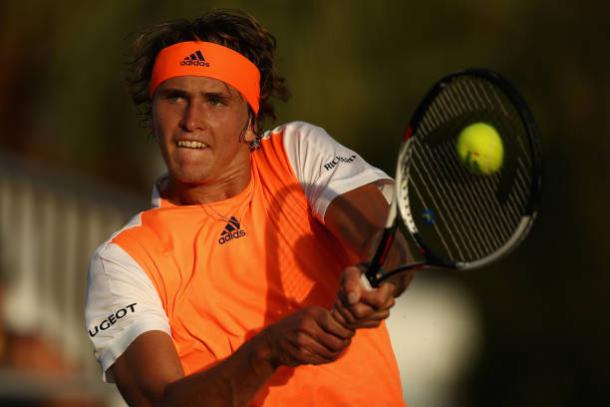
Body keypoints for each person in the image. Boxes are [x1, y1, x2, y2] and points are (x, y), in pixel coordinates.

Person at [85, 9, 415, 406]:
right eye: (176, 97)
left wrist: (379, 279)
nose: (192, 120)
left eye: (215, 101)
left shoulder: (296, 154)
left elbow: (386, 237)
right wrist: (266, 351)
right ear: (153, 116)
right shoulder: (122, 261)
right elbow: (163, 402)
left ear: (250, 121)